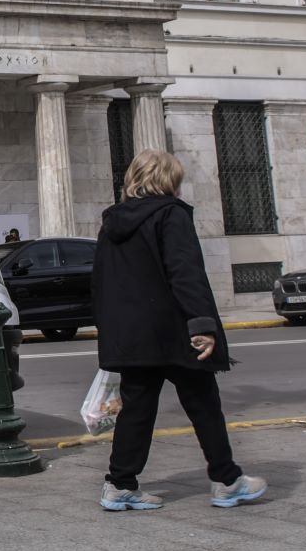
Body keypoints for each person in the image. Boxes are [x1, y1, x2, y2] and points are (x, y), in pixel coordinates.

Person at [92, 149, 266, 512]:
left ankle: (120, 484)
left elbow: (105, 285)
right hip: (173, 330)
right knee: (204, 404)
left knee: (136, 409)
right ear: (169, 180)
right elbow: (185, 274)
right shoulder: (170, 216)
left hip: (133, 336)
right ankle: (228, 480)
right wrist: (202, 326)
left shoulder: (111, 226)